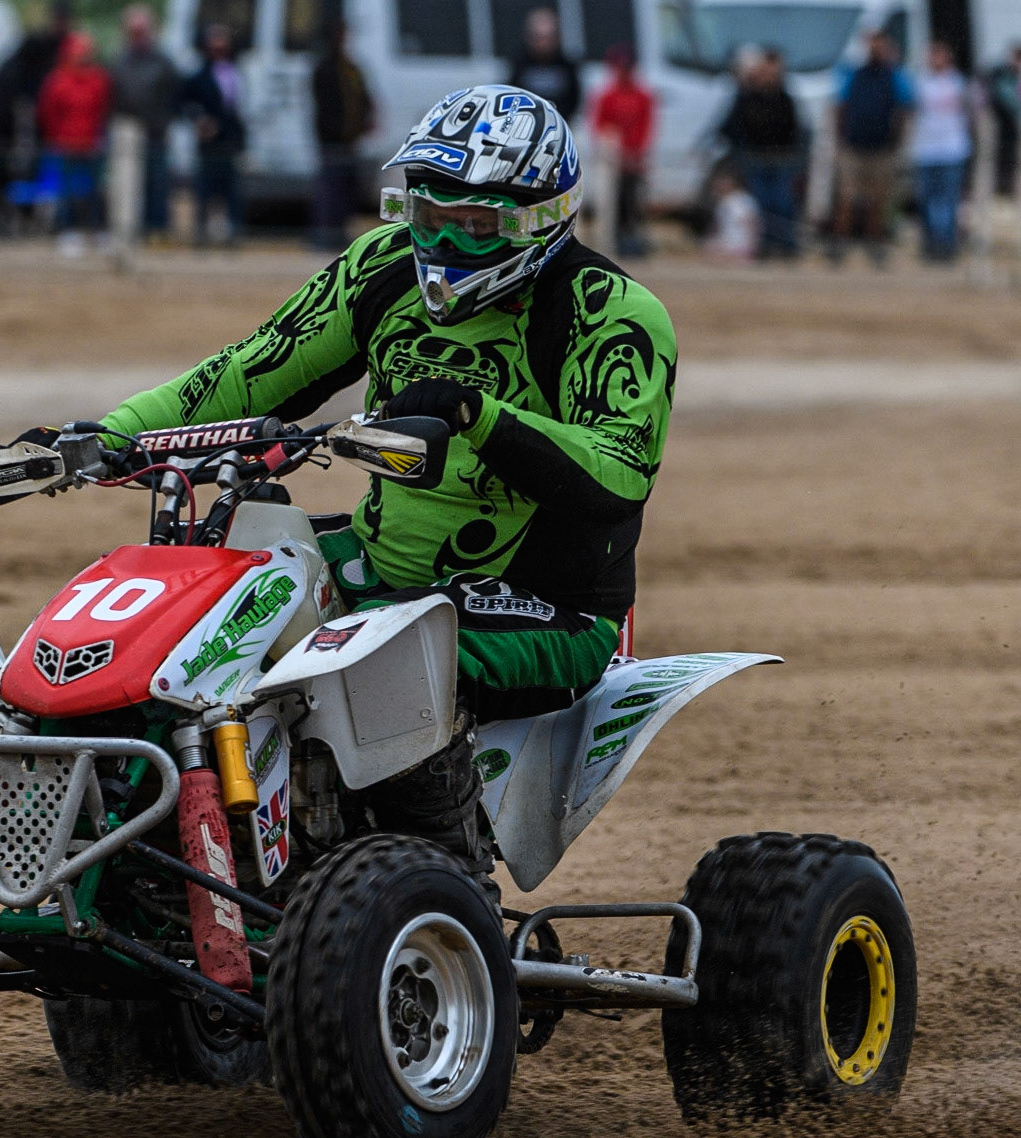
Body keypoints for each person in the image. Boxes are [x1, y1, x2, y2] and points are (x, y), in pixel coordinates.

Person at [101, 86, 675, 898]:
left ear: (540, 219)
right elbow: (252, 369)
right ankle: (169, 858)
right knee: (192, 605)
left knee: (393, 649)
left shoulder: (612, 314)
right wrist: (111, 430)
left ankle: (447, 883)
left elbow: (620, 473)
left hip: (554, 604)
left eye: (472, 227)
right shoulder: (383, 265)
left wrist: (478, 413)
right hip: (379, 561)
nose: (439, 240)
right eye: (425, 214)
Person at [0, 3, 71, 234]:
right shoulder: (22, 69)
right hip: (14, 138)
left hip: (15, 138)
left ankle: (17, 222)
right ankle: (16, 222)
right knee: (21, 180)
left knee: (25, 181)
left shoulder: (12, 65)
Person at [830, 29, 914, 266]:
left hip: (882, 148)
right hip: (854, 146)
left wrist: (896, 142)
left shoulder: (894, 76)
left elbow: (904, 109)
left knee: (878, 200)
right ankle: (840, 244)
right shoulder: (853, 75)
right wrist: (841, 139)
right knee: (847, 198)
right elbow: (840, 107)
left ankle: (874, 245)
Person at [718, 47, 803, 258]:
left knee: (782, 203)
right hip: (755, 159)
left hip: (780, 159)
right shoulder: (747, 98)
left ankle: (786, 245)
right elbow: (732, 128)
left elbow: (794, 130)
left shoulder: (785, 99)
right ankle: (762, 245)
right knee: (761, 204)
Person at [36, 30, 112, 256]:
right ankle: (68, 231)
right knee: (66, 192)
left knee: (96, 191)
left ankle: (99, 231)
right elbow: (48, 112)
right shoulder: (58, 80)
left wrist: (99, 137)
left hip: (92, 144)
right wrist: (56, 137)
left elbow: (104, 111)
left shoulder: (99, 80)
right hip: (65, 144)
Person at [112, 4, 179, 242]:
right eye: (133, 32)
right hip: (128, 134)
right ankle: (131, 231)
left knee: (158, 185)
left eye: (142, 31)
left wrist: (165, 121)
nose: (138, 36)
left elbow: (174, 95)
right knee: (128, 187)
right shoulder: (119, 62)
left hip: (156, 134)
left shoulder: (163, 62)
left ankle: (158, 230)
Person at [180, 24, 247, 247]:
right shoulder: (198, 77)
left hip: (230, 142)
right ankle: (201, 235)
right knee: (205, 190)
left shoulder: (236, 73)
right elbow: (184, 103)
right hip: (209, 145)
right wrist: (200, 120)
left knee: (232, 192)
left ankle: (233, 234)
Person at [310, 17, 373, 251]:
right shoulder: (325, 67)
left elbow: (363, 98)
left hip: (350, 140)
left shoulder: (350, 68)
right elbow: (326, 106)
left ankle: (338, 233)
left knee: (345, 191)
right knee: (330, 190)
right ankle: (325, 234)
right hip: (332, 141)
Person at [910, 40, 973, 262]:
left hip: (952, 149)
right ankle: (929, 243)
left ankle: (947, 243)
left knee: (948, 200)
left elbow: (970, 112)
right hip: (925, 150)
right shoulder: (920, 82)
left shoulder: (958, 83)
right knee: (926, 200)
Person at [588, 45, 654, 258]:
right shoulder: (607, 95)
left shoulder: (642, 95)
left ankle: (632, 239)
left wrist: (636, 152)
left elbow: (646, 126)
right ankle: (613, 240)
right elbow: (599, 125)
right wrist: (610, 150)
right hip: (613, 158)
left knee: (633, 201)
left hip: (633, 159)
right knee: (612, 202)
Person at [509, 9, 580, 122]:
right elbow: (512, 94)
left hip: (559, 122)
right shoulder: (519, 64)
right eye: (539, 38)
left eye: (548, 38)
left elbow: (574, 99)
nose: (544, 43)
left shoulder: (567, 66)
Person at [983, 42, 1021, 197]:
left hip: (1011, 128)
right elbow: (1009, 100)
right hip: (999, 126)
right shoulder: (1000, 74)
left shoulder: (1017, 75)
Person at [705, 168, 759, 261]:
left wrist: (752, 244)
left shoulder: (740, 200)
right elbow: (716, 226)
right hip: (727, 242)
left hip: (739, 244)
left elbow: (751, 223)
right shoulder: (723, 201)